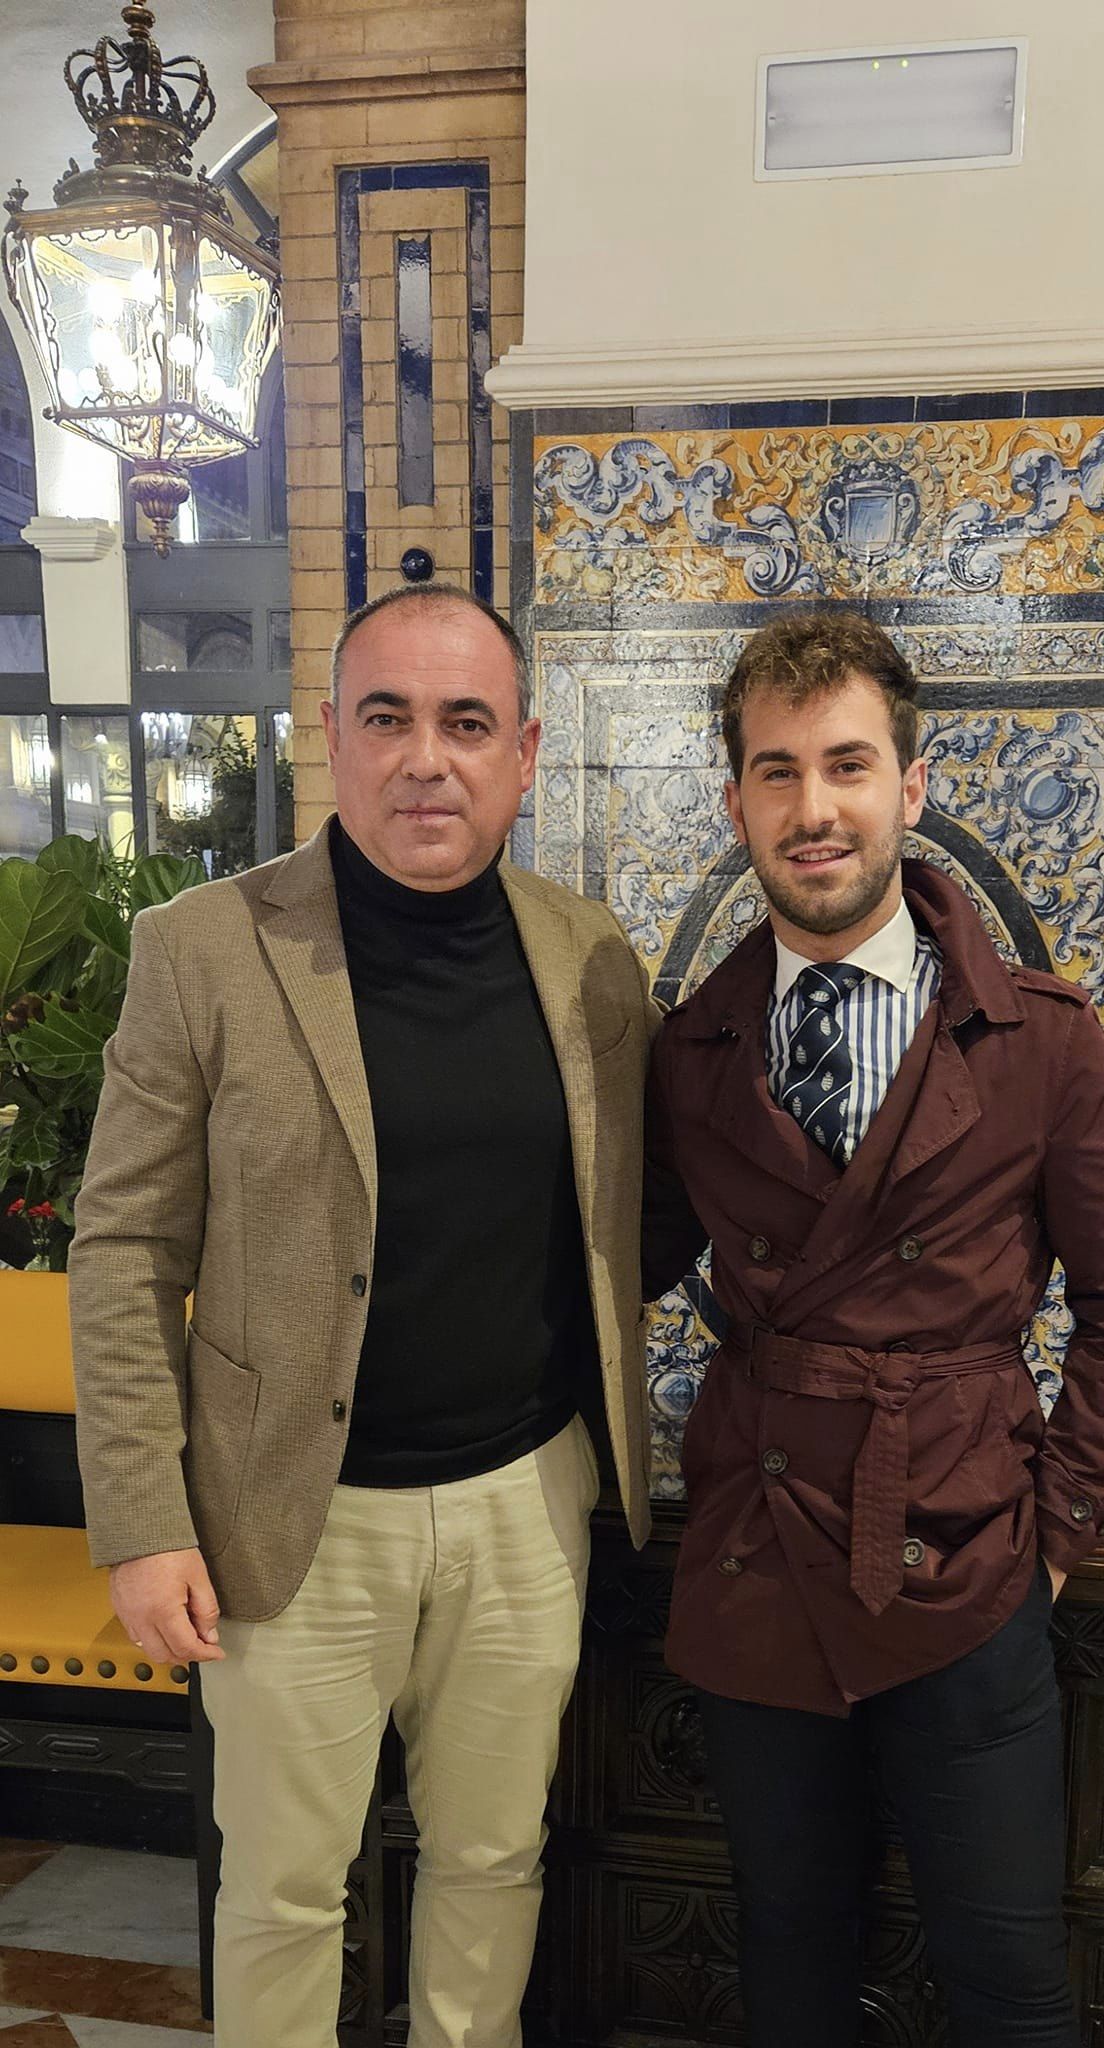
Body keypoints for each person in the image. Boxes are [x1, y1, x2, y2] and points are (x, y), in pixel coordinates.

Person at [70, 581, 656, 2048]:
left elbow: (638, 1208)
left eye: (466, 723)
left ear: (523, 753)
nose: (425, 760)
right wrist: (142, 1521)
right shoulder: (203, 949)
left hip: (526, 1501)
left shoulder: (590, 955)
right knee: (282, 1892)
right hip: (289, 1520)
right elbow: (124, 1249)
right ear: (329, 736)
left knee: (492, 1860)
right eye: (386, 718)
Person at [642, 612, 1104, 2048]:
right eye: (777, 772)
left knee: (1007, 1981)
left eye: (846, 765)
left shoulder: (1038, 1039)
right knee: (790, 1962)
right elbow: (620, 1253)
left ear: (911, 787)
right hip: (759, 1553)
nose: (812, 808)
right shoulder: (691, 1047)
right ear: (736, 804)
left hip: (966, 1555)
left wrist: (1061, 1526)